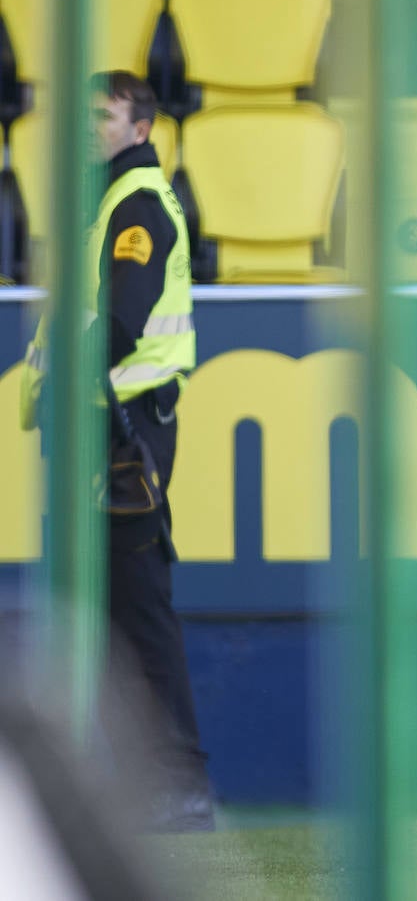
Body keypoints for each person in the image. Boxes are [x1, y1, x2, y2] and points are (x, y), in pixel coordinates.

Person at [18, 71, 211, 831]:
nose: (92, 126)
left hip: (119, 430)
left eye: (107, 114)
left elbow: (123, 321)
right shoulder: (106, 202)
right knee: (98, 614)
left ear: (141, 128)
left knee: (134, 606)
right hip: (98, 425)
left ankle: (178, 784)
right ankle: (137, 784)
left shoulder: (135, 203)